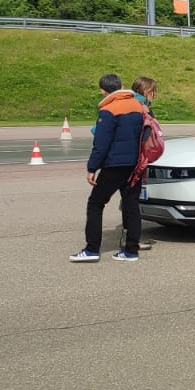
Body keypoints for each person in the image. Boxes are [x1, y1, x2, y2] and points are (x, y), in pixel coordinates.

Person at [71, 73, 145, 262]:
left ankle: (91, 249)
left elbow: (101, 144)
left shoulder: (109, 109)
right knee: (131, 205)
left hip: (115, 164)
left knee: (95, 203)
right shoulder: (138, 106)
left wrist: (92, 167)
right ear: (121, 86)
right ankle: (131, 251)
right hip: (136, 163)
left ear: (102, 90)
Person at [130, 75, 160, 250]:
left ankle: (130, 236)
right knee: (132, 200)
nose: (154, 95)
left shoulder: (126, 103)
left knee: (129, 199)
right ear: (146, 91)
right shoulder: (141, 107)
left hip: (125, 158)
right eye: (153, 91)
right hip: (135, 159)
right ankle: (132, 240)